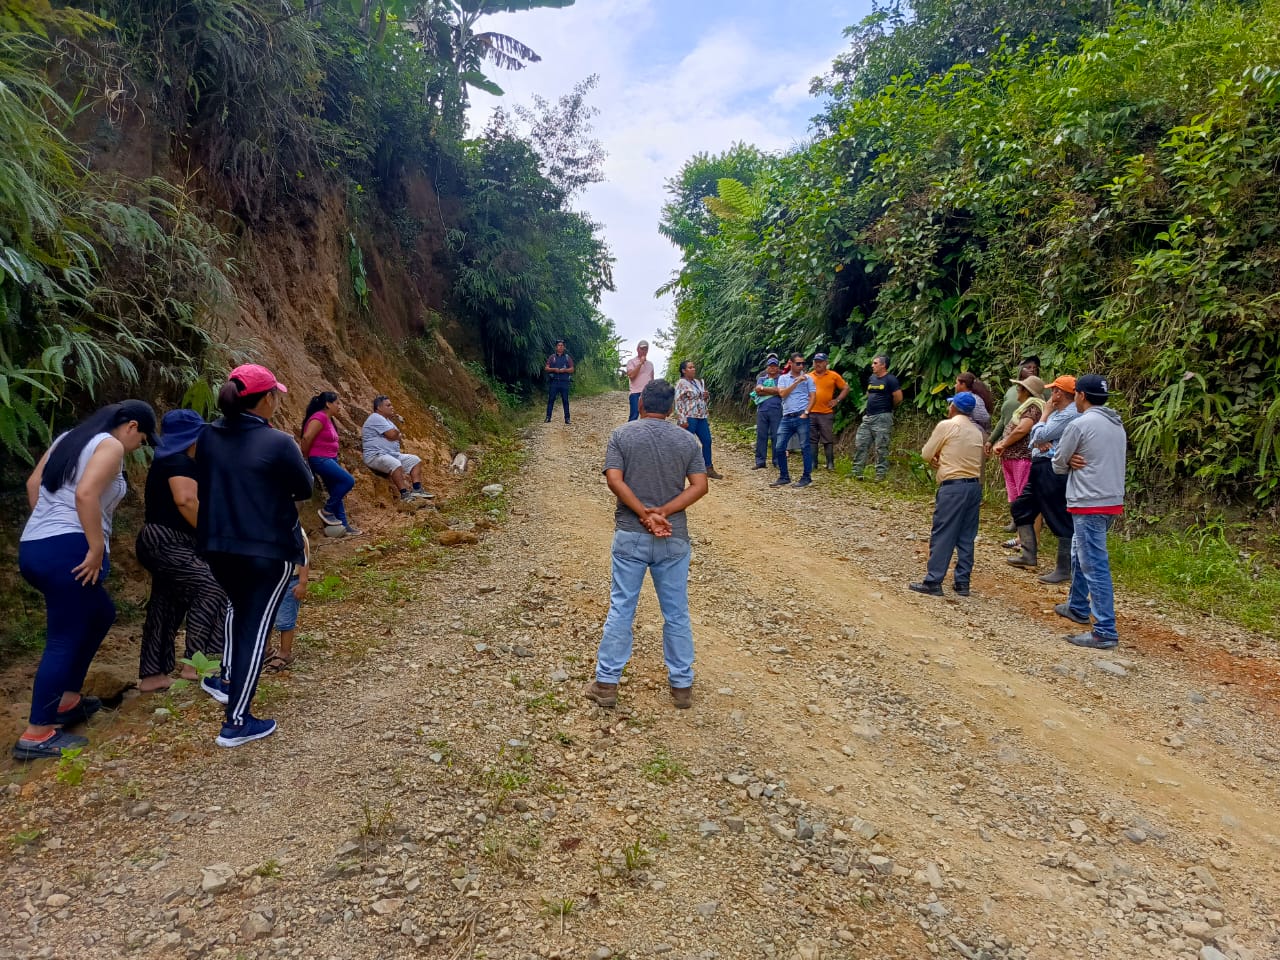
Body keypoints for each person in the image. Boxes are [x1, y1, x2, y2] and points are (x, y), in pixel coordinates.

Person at [14, 400, 156, 761]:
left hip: (36, 545)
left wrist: (50, 528)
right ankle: (37, 733)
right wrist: (93, 547)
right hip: (70, 548)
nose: (139, 446)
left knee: (100, 613)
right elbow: (86, 494)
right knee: (64, 637)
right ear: (132, 426)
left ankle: (66, 701)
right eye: (142, 438)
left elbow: (33, 484)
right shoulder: (110, 445)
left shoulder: (69, 438)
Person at [196, 364, 313, 747]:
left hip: (217, 546)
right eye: (275, 394)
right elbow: (305, 488)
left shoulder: (207, 435)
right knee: (255, 630)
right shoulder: (278, 442)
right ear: (266, 399)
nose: (277, 399)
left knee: (241, 613)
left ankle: (229, 680)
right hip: (267, 550)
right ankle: (236, 722)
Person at [584, 380, 709, 710]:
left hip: (630, 534)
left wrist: (644, 514)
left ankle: (606, 684)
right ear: (671, 408)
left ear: (641, 404)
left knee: (622, 607)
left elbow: (614, 480)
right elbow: (700, 486)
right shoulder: (688, 440)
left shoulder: (622, 435)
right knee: (676, 612)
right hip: (673, 537)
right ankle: (681, 686)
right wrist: (663, 513)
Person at [136, 408, 229, 694]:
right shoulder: (179, 462)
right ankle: (198, 663)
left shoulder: (164, 461)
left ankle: (153, 674)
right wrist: (212, 536)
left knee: (166, 601)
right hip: (168, 539)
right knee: (213, 587)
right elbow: (186, 500)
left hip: (157, 539)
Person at [1053, 374, 1127, 650]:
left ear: (1081, 395)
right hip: (1110, 499)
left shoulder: (1080, 424)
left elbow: (1057, 464)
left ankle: (1105, 630)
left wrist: (1067, 461)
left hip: (1088, 500)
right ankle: (1077, 605)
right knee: (1080, 553)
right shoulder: (1116, 424)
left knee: (1093, 564)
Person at [909, 392, 984, 597]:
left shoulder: (947, 425)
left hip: (953, 486)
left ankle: (933, 580)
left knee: (943, 533)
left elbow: (926, 453)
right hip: (973, 486)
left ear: (954, 407)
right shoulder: (976, 431)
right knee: (966, 536)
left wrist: (937, 458)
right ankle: (962, 583)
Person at [1009, 375, 1080, 582]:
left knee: (1058, 516)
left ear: (1059, 393)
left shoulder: (1067, 414)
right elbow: (1035, 439)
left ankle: (1064, 569)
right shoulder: (1060, 413)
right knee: (1020, 508)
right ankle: (1028, 554)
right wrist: (1040, 436)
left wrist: (1044, 417)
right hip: (1040, 466)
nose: (1051, 395)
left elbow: (1038, 435)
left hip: (1051, 468)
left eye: (1054, 390)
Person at [992, 374, 1047, 548]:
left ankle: (1031, 540)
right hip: (1014, 458)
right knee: (1018, 499)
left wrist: (1003, 443)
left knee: (1027, 499)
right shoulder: (1028, 406)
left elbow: (1022, 429)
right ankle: (1022, 537)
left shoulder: (1033, 408)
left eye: (1020, 387)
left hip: (1022, 458)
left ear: (1026, 391)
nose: (1017, 390)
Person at [302, 391, 361, 536]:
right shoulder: (320, 417)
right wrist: (305, 457)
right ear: (328, 404)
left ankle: (344, 526)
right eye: (337, 403)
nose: (339, 406)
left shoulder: (328, 419)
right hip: (320, 459)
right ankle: (327, 511)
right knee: (348, 481)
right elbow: (306, 438)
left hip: (330, 459)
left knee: (335, 491)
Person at [361, 395, 431, 502]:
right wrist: (393, 434)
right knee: (395, 464)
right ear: (379, 408)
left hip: (391, 454)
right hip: (375, 455)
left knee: (415, 460)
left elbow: (397, 436)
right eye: (388, 405)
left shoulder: (387, 421)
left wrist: (394, 434)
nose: (392, 407)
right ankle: (404, 494)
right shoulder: (376, 417)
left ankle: (417, 489)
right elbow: (393, 435)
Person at [851, 355, 902, 481]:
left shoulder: (891, 379)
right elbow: (869, 393)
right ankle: (856, 472)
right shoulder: (872, 378)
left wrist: (887, 407)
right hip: (868, 416)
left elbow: (898, 397)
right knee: (861, 443)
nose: (872, 365)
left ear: (883, 365)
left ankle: (880, 474)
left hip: (882, 417)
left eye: (875, 363)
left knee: (881, 446)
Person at [265, 529, 309, 673]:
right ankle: (266, 649)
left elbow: (304, 559)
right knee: (266, 616)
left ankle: (285, 652)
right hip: (270, 579)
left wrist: (302, 583)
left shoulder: (295, 532)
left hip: (290, 580)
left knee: (285, 619)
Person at [771, 353, 817, 488]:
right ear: (790, 363)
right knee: (779, 447)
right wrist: (796, 382)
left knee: (805, 447)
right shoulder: (783, 378)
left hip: (801, 415)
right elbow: (782, 394)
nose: (801, 366)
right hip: (787, 416)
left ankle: (806, 477)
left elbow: (813, 396)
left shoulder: (808, 379)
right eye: (798, 363)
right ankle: (784, 476)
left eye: (803, 363)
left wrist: (806, 412)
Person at [674, 360, 723, 479]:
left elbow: (701, 398)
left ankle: (708, 467)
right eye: (690, 367)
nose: (693, 369)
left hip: (701, 416)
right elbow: (678, 401)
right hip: (689, 416)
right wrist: (682, 419)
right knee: (687, 443)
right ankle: (682, 469)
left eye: (693, 367)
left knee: (707, 441)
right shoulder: (681, 383)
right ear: (683, 371)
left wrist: (706, 396)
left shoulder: (697, 382)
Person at [808, 352, 849, 470]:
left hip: (826, 412)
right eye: (816, 362)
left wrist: (837, 400)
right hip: (810, 412)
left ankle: (830, 463)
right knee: (812, 439)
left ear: (826, 363)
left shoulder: (833, 375)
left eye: (820, 362)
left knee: (827, 438)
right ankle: (813, 463)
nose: (818, 364)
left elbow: (846, 388)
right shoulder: (808, 376)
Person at [751, 356, 783, 469]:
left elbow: (780, 391)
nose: (772, 368)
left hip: (776, 410)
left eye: (775, 366)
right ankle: (760, 461)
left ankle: (777, 461)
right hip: (762, 410)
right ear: (767, 368)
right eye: (770, 366)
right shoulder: (761, 378)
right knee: (761, 435)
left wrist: (764, 389)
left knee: (776, 435)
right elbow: (757, 391)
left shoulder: (781, 379)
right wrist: (773, 391)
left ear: (778, 368)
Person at [544, 339, 574, 424]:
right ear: (556, 347)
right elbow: (546, 368)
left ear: (564, 347)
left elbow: (572, 369)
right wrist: (554, 369)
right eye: (559, 345)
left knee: (565, 400)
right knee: (551, 399)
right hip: (554, 382)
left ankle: (567, 418)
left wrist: (565, 370)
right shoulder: (552, 357)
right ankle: (548, 417)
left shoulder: (567, 357)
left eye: (562, 345)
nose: (560, 347)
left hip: (564, 382)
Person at [625, 341, 654, 422]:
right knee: (634, 415)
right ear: (637, 349)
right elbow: (631, 375)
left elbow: (652, 379)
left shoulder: (650, 364)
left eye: (646, 349)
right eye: (642, 349)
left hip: (647, 393)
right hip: (635, 393)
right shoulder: (631, 362)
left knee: (647, 416)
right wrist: (640, 363)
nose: (644, 351)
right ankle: (630, 430)